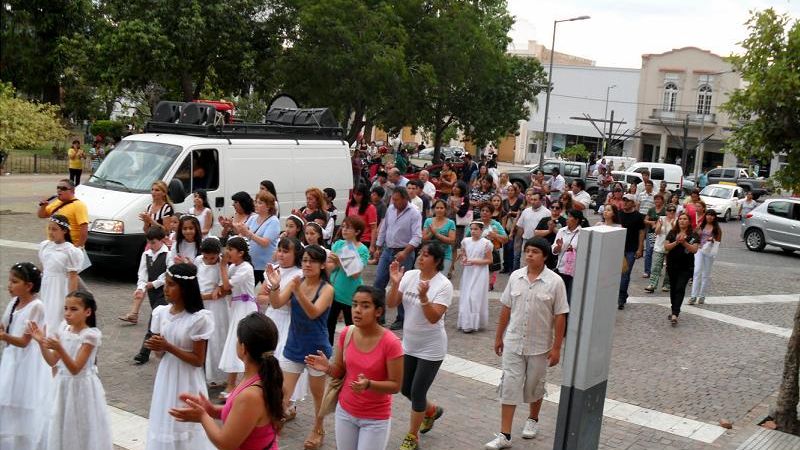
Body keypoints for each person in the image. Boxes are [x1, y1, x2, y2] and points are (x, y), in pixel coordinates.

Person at [485, 238, 568, 450]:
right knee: (509, 386)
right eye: (527, 251)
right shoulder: (515, 276)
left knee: (535, 385)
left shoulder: (555, 282)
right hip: (513, 342)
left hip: (540, 346)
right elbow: (506, 308)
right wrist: (499, 337)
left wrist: (557, 348)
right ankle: (505, 435)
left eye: (535, 252)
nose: (529, 255)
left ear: (545, 256)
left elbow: (560, 315)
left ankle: (533, 418)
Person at [305, 286, 404, 450]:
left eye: (365, 306)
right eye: (354, 304)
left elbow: (395, 385)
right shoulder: (347, 333)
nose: (357, 310)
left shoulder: (391, 343)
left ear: (378, 311)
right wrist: (327, 368)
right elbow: (339, 371)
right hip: (345, 412)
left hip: (375, 419)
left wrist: (369, 384)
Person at [169, 313, 283, 450]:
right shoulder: (259, 378)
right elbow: (243, 415)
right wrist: (211, 410)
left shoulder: (251, 395)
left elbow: (225, 444)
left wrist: (202, 416)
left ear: (243, 348)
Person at [267, 245, 334, 450]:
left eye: (312, 261)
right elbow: (276, 303)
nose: (307, 264)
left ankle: (318, 428)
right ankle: (270, 431)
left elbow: (313, 313)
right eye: (304, 260)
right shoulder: (297, 282)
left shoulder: (327, 289)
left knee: (317, 395)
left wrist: (297, 292)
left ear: (322, 265)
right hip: (294, 345)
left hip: (316, 349)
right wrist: (275, 286)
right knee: (283, 393)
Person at [387, 243, 453, 450]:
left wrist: (424, 298)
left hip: (432, 348)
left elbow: (434, 318)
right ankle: (431, 410)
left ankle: (412, 437)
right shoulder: (410, 276)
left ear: (437, 261)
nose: (420, 258)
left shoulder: (444, 285)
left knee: (417, 392)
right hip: (409, 344)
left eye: (426, 255)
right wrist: (395, 283)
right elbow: (391, 303)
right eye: (421, 254)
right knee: (405, 388)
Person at [28, 290, 113, 450]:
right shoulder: (63, 329)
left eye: (74, 309)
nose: (67, 313)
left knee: (80, 427)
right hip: (62, 385)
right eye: (66, 308)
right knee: (60, 423)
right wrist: (41, 343)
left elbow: (75, 369)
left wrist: (59, 348)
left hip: (81, 388)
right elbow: (52, 361)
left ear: (87, 312)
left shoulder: (90, 336)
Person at [143, 263, 214, 450]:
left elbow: (198, 360)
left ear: (184, 288)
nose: (165, 289)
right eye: (165, 284)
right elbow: (159, 354)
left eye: (171, 285)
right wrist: (157, 347)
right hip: (167, 375)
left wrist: (168, 347)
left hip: (187, 377)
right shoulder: (161, 313)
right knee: (166, 418)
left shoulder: (198, 318)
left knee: (185, 423)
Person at [0, 263, 52, 450]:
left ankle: (24, 441)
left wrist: (4, 336)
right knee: (8, 398)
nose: (9, 285)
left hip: (26, 361)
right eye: (10, 281)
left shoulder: (36, 307)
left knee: (23, 399)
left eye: (14, 282)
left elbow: (24, 341)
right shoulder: (14, 302)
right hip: (11, 357)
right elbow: (6, 325)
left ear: (28, 286)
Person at [257, 237, 307, 419]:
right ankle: (270, 400)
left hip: (291, 322)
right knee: (268, 359)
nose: (281, 254)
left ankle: (287, 403)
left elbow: (295, 302)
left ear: (296, 254)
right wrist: (277, 299)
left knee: (285, 362)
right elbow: (260, 297)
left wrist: (277, 298)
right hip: (273, 319)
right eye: (279, 250)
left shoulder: (299, 275)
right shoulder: (274, 270)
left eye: (286, 251)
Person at [373, 187, 423, 330]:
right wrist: (378, 247)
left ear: (405, 199)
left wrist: (405, 252)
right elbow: (384, 228)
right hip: (387, 250)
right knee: (378, 282)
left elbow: (417, 236)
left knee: (402, 285)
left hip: (404, 252)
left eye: (396, 200)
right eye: (392, 200)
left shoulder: (414, 213)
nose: (393, 202)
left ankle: (401, 318)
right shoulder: (391, 209)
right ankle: (379, 315)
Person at [122, 226, 168, 365]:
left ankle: (144, 353)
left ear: (162, 240)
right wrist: (141, 288)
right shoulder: (146, 255)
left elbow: (167, 274)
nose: (151, 246)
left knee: (154, 319)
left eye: (154, 242)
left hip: (166, 292)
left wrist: (154, 283)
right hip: (153, 293)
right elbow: (142, 274)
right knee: (162, 321)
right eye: (149, 242)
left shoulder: (168, 254)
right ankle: (165, 347)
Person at [218, 236, 258, 397]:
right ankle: (232, 383)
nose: (227, 252)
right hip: (235, 307)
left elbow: (227, 285)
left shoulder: (246, 268)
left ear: (241, 253)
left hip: (245, 308)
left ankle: (235, 384)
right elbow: (224, 287)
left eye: (231, 249)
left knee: (240, 343)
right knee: (233, 343)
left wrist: (222, 265)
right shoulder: (234, 267)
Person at [327, 216, 371, 345]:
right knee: (329, 324)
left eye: (348, 228)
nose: (344, 230)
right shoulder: (338, 244)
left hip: (350, 294)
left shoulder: (362, 249)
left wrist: (340, 262)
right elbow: (330, 266)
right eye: (343, 227)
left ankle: (351, 351)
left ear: (357, 232)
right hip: (334, 292)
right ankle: (327, 351)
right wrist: (332, 263)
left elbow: (356, 274)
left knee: (351, 327)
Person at [38, 214, 83, 332]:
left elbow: (73, 277)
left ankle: (56, 337)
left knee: (56, 315)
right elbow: (43, 267)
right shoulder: (45, 246)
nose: (50, 232)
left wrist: (72, 298)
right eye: (49, 229)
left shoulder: (70, 251)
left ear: (64, 231)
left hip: (60, 287)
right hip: (46, 286)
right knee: (45, 313)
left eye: (54, 229)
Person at [195, 237, 228, 388]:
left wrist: (205, 295)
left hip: (216, 307)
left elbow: (223, 291)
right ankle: (202, 371)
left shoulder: (221, 264)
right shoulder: (198, 261)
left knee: (216, 338)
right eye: (206, 257)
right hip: (200, 305)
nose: (208, 260)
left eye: (212, 258)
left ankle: (216, 375)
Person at [233, 192, 280, 286]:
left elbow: (265, 242)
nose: (256, 205)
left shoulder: (273, 221)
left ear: (268, 207)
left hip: (266, 266)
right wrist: (232, 226)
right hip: (252, 264)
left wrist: (248, 233)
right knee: (246, 290)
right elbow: (242, 234)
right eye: (256, 202)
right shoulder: (253, 218)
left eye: (260, 203)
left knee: (268, 291)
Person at [664, 213, 700, 325]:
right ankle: (673, 309)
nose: (682, 221)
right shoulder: (672, 233)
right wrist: (676, 242)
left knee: (680, 288)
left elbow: (694, 250)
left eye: (685, 219)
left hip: (686, 267)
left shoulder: (693, 235)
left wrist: (684, 243)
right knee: (673, 288)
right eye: (680, 219)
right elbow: (666, 247)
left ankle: (675, 313)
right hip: (672, 265)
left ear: (689, 222)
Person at [458, 222, 493, 333]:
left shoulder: (486, 243)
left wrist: (474, 261)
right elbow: (464, 254)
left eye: (476, 229)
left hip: (480, 272)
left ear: (481, 230)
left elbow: (489, 260)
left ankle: (474, 323)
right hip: (469, 272)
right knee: (466, 295)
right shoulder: (465, 241)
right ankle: (466, 323)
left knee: (474, 296)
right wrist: (464, 259)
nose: (473, 231)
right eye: (471, 229)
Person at [37, 179, 90, 247]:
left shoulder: (79, 205)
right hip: (54, 244)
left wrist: (78, 247)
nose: (59, 190)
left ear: (72, 191)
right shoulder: (57, 202)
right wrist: (43, 206)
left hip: (69, 246)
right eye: (58, 188)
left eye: (63, 188)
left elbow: (84, 229)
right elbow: (41, 215)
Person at [469, 202, 509, 291]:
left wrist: (495, 235)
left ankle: (488, 286)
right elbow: (467, 238)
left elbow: (505, 239)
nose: (484, 213)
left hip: (491, 254)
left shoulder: (496, 224)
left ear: (491, 213)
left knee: (488, 279)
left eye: (487, 211)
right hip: (476, 254)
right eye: (482, 210)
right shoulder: (475, 223)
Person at [617, 194, 645, 310]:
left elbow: (641, 232)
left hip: (631, 249)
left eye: (628, 201)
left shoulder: (638, 216)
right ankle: (622, 293)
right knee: (616, 273)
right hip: (618, 248)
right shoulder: (618, 214)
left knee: (625, 273)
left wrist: (640, 248)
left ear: (633, 203)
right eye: (624, 200)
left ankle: (621, 298)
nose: (625, 202)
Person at [689, 209, 722, 305]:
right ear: (705, 216)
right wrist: (697, 233)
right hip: (699, 250)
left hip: (709, 251)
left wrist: (713, 240)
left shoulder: (717, 229)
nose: (709, 217)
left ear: (714, 217)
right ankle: (693, 296)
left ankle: (702, 296)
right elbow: (694, 236)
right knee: (697, 272)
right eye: (708, 215)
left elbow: (718, 242)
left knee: (706, 274)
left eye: (712, 215)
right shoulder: (701, 225)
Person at [552, 209, 583, 304]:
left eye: (570, 217)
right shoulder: (561, 231)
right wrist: (558, 247)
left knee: (570, 298)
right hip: (561, 268)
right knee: (559, 298)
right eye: (567, 216)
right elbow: (554, 251)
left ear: (577, 220)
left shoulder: (582, 233)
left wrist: (573, 249)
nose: (567, 219)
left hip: (574, 271)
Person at [515, 191, 550, 271]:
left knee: (536, 265)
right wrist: (518, 241)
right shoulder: (526, 211)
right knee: (524, 265)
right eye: (531, 199)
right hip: (526, 241)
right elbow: (520, 227)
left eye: (535, 200)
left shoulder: (547, 213)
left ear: (541, 200)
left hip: (539, 244)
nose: (533, 202)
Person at [646, 204, 676, 293]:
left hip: (671, 246)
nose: (671, 212)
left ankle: (666, 285)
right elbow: (656, 232)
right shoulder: (661, 219)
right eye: (670, 210)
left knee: (670, 267)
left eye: (673, 210)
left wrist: (672, 224)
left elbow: (676, 233)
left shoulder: (677, 220)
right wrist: (660, 225)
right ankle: (652, 284)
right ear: (666, 211)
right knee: (656, 266)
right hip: (659, 245)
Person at [423, 200, 456, 275]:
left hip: (445, 255)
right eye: (437, 208)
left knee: (441, 278)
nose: (439, 210)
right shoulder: (428, 221)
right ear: (434, 209)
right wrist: (431, 233)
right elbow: (424, 239)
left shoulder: (451, 223)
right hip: (429, 254)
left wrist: (436, 234)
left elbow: (451, 240)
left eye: (441, 208)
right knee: (428, 277)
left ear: (446, 210)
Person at [446, 181, 471, 279]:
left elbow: (462, 213)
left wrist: (454, 207)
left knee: (453, 247)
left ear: (462, 189)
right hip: (447, 223)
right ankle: (445, 265)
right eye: (454, 186)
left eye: (457, 187)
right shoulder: (449, 197)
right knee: (446, 245)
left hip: (458, 225)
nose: (454, 188)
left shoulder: (464, 199)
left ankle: (450, 268)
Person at [346, 184, 379, 255]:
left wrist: (372, 246)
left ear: (364, 195)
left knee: (360, 259)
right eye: (354, 194)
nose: (355, 196)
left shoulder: (370, 208)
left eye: (359, 194)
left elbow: (373, 228)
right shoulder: (350, 204)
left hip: (364, 240)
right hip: (351, 238)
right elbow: (346, 220)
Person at [501, 184, 524, 273]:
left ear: (515, 191)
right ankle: (505, 266)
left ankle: (512, 267)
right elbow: (503, 214)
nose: (510, 192)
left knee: (512, 248)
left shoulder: (519, 201)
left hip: (516, 227)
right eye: (509, 190)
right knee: (505, 247)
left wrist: (512, 213)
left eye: (512, 190)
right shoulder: (504, 201)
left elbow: (520, 213)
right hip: (506, 225)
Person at [637, 180, 657, 278]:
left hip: (651, 220)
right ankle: (639, 251)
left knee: (650, 245)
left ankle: (649, 269)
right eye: (646, 185)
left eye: (649, 185)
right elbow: (638, 206)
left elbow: (656, 208)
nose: (647, 186)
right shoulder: (641, 194)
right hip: (641, 217)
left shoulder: (655, 195)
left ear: (652, 186)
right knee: (640, 237)